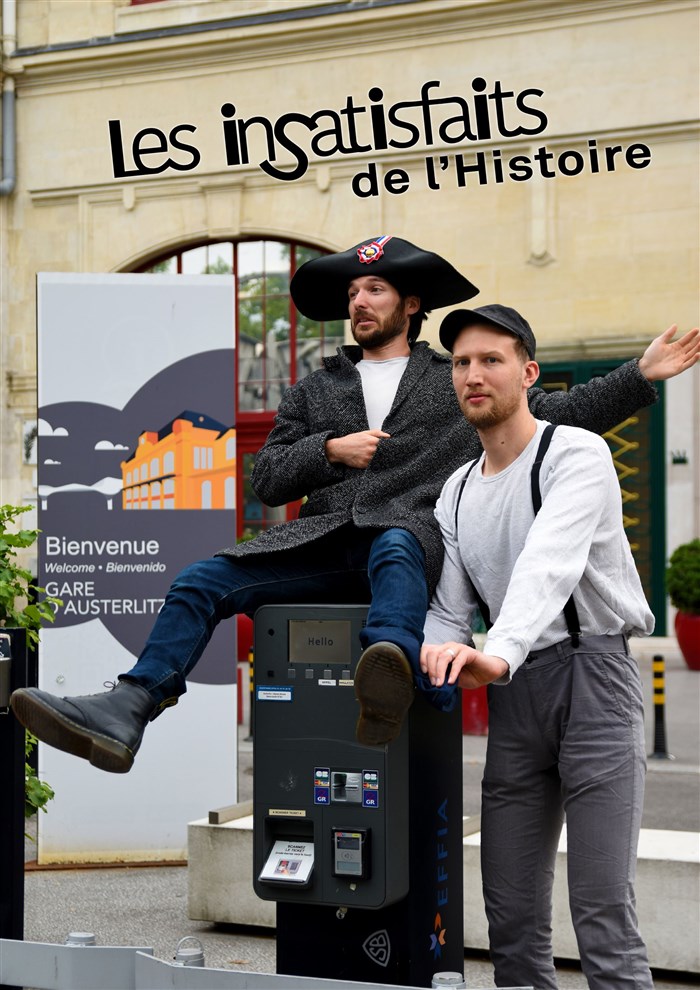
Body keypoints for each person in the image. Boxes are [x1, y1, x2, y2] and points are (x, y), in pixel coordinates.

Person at [10, 235, 697, 769]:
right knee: (200, 580)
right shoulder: (317, 387)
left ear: (411, 304)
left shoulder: (456, 379)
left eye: (375, 289)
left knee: (397, 541)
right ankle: (131, 706)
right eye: (353, 292)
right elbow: (266, 479)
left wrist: (639, 375)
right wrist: (329, 451)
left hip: (407, 548)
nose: (360, 301)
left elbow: (558, 411)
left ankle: (386, 673)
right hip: (318, 545)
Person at [420, 303, 664, 989]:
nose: (473, 375)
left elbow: (547, 564)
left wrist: (497, 651)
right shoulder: (456, 492)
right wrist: (436, 655)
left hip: (594, 681)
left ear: (528, 373)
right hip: (517, 696)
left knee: (602, 913)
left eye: (491, 360)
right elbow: (448, 610)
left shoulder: (575, 454)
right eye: (461, 363)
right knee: (512, 920)